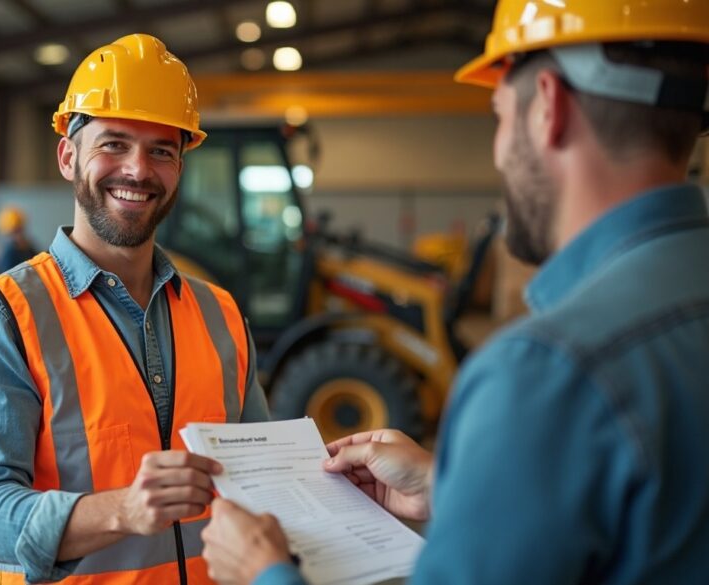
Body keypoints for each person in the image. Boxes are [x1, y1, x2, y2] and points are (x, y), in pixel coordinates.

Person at [201, 1, 709, 584]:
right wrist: (455, 489)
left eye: (499, 116)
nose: (499, 150)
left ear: (548, 105)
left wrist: (264, 571)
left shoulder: (547, 373)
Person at [0, 33, 270, 584]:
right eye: (114, 143)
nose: (138, 170)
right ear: (68, 157)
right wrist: (123, 510)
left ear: (180, 168)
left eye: (162, 150)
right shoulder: (1, 317)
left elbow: (259, 477)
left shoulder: (222, 314)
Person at [0, 206, 38, 273]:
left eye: (20, 230)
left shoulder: (28, 247)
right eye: (15, 232)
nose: (19, 236)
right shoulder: (8, 252)